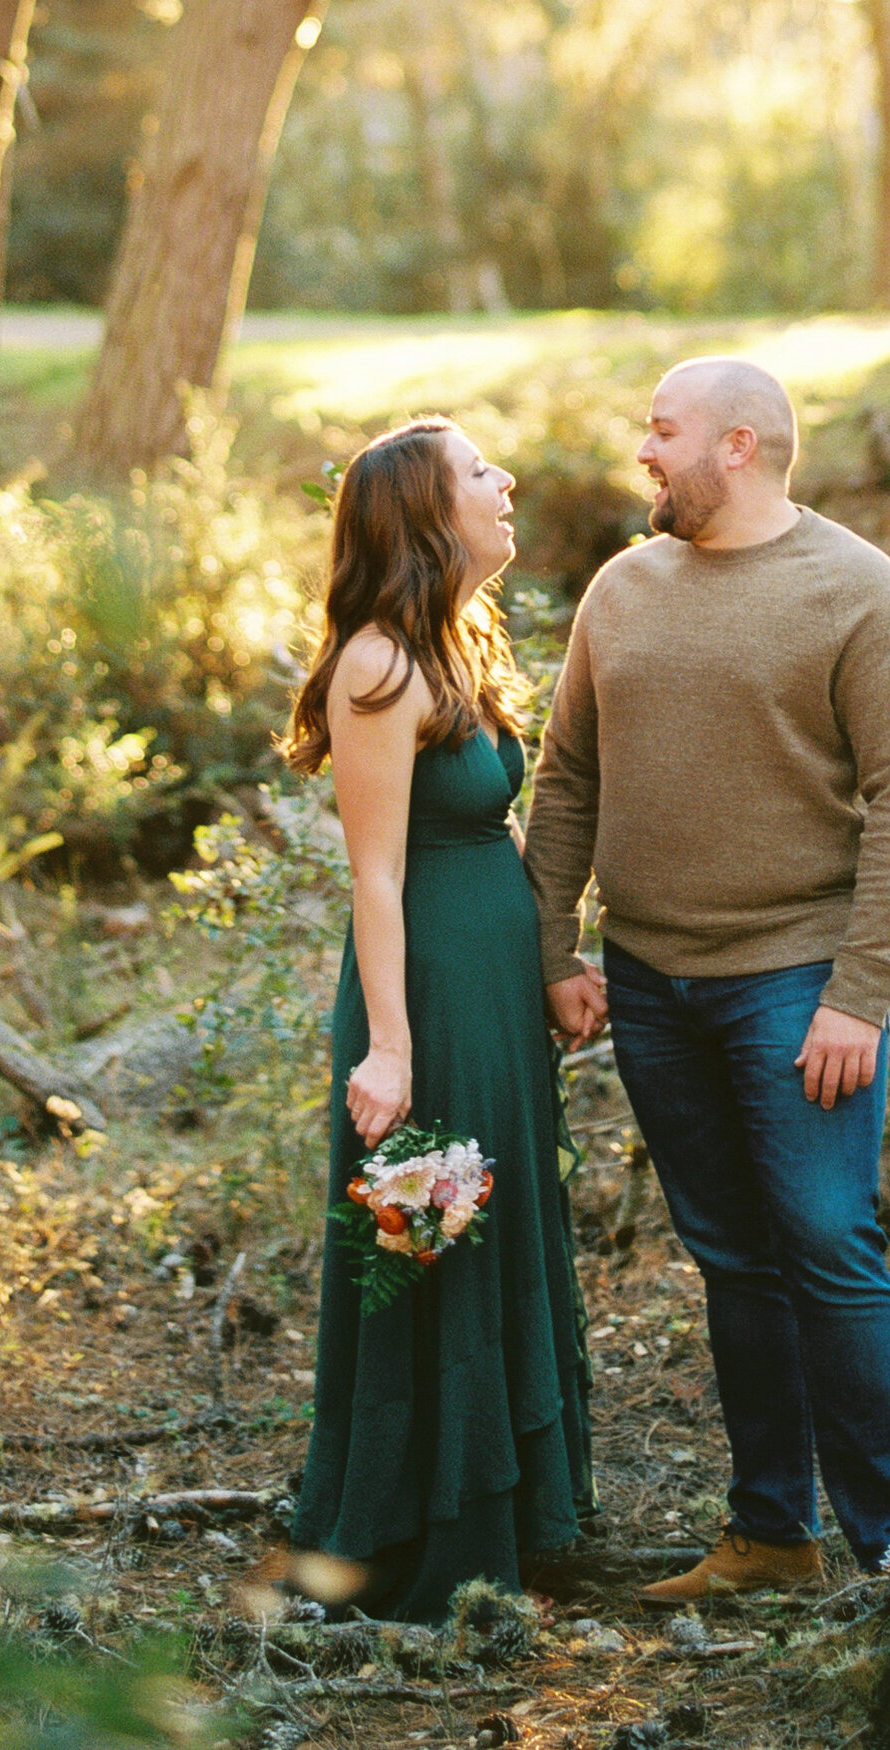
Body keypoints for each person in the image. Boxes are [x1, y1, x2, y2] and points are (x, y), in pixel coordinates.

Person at [523, 358, 890, 1601]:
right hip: (653, 983)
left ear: (740, 446)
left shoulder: (857, 592)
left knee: (827, 1244)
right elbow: (567, 782)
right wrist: (557, 947)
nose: (641, 452)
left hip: (796, 984)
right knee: (729, 1255)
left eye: (661, 432)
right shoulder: (623, 587)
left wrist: (859, 993)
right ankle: (771, 1531)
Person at [286, 417, 594, 1620]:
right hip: (424, 1009)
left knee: (495, 1228)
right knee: (434, 1242)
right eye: (479, 472)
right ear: (424, 512)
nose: (506, 480)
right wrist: (392, 1045)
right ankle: (422, 1535)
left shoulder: (457, 644)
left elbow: (493, 833)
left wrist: (552, 966)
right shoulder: (377, 665)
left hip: (495, 1004)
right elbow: (375, 873)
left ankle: (514, 1515)